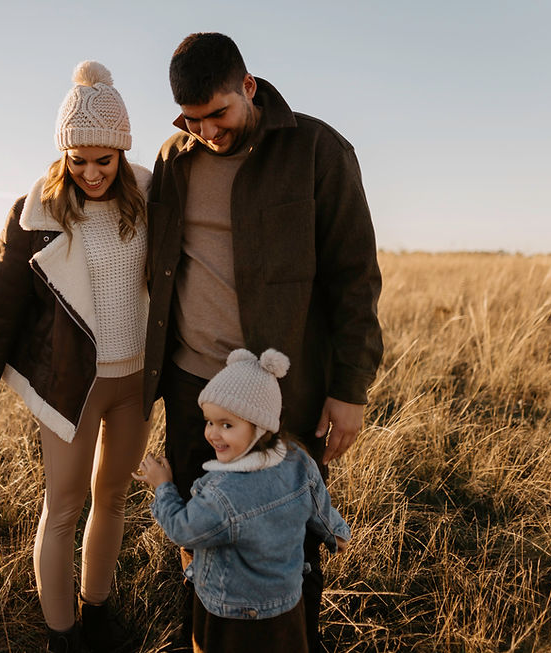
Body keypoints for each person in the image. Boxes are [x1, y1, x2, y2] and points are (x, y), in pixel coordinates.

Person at [142, 32, 383, 649]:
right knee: (200, 539)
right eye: (192, 121)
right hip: (193, 386)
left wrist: (349, 388)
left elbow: (354, 278)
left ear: (249, 87)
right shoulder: (175, 160)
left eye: (218, 114)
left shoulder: (317, 150)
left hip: (284, 390)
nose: (208, 132)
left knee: (289, 542)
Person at [0, 61, 152, 653]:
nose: (91, 173)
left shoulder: (148, 196)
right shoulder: (35, 214)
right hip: (72, 384)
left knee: (113, 497)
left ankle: (97, 610)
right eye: (78, 160)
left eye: (104, 159)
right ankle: (61, 633)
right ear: (63, 154)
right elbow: (1, 307)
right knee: (65, 505)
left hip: (135, 381)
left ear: (121, 152)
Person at [133, 349, 350, 653]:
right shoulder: (298, 459)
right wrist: (336, 533)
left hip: (231, 616)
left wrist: (163, 487)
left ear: (260, 425)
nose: (212, 434)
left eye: (227, 425)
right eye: (209, 421)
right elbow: (320, 506)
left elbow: (184, 530)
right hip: (286, 607)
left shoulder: (221, 493)